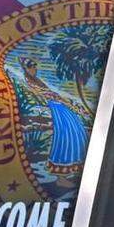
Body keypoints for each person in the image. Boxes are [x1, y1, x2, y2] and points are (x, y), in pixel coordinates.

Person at [20, 57, 87, 185]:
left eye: (35, 66)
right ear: (26, 69)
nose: (34, 69)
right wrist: (65, 102)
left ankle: (73, 168)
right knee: (65, 133)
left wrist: (65, 102)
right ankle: (61, 176)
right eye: (31, 67)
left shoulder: (36, 80)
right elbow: (46, 95)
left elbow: (51, 93)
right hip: (55, 107)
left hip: (58, 105)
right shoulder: (30, 82)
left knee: (75, 129)